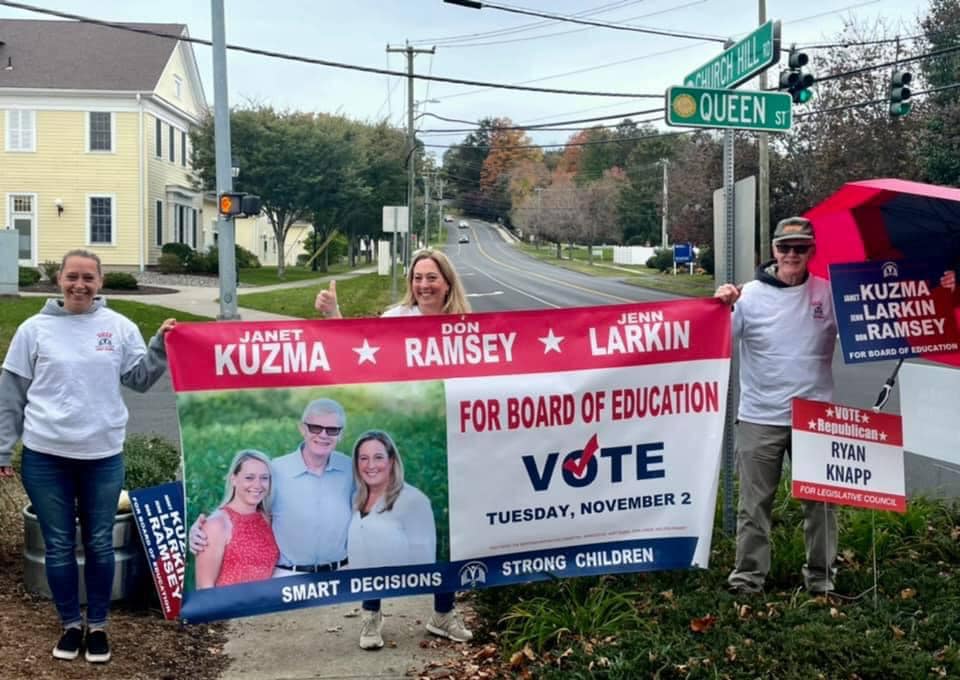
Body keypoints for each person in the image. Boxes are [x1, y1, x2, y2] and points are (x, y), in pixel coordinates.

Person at [0, 249, 175, 664]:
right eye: (72, 277)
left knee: (99, 542)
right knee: (59, 544)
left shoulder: (119, 327)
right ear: (58, 279)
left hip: (102, 455)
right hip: (46, 456)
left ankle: (97, 626)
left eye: (88, 278)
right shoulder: (33, 330)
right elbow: (11, 396)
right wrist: (3, 449)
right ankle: (69, 625)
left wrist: (160, 345)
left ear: (100, 283)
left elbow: (140, 379)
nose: (80, 285)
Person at [314, 248, 473, 645]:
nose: (423, 285)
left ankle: (443, 613)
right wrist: (334, 315)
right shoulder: (396, 319)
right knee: (374, 516)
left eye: (431, 277)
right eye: (417, 278)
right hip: (396, 423)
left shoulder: (467, 326)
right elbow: (356, 351)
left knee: (446, 526)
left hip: (452, 434)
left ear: (447, 282)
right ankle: (371, 614)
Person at [715, 217, 839, 596]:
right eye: (785, 247)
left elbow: (879, 316)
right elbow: (716, 339)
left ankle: (820, 577)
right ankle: (748, 578)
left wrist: (944, 287)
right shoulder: (747, 296)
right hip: (760, 416)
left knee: (821, 503)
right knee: (754, 505)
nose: (791, 255)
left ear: (811, 251)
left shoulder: (829, 293)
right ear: (773, 250)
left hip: (814, 416)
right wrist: (721, 306)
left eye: (800, 248)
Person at [191, 398, 354, 577]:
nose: (323, 435)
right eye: (315, 428)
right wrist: (205, 529)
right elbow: (242, 507)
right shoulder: (274, 469)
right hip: (288, 576)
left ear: (341, 434)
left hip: (340, 574)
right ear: (302, 429)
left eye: (332, 430)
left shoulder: (351, 469)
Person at [347, 430, 449, 650]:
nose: (370, 465)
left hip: (401, 574)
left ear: (392, 460)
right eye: (363, 458)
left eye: (378, 457)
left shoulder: (414, 500)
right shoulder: (354, 497)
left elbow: (426, 557)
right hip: (363, 577)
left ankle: (443, 615)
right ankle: (371, 614)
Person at [195, 450, 279, 588]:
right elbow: (204, 587)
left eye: (264, 478)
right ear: (233, 479)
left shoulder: (267, 519)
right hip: (227, 601)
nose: (257, 485)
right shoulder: (216, 525)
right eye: (249, 478)